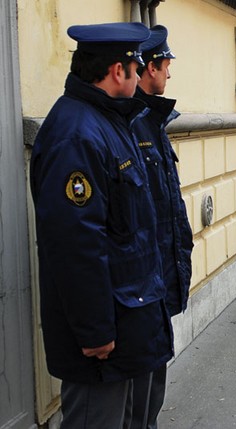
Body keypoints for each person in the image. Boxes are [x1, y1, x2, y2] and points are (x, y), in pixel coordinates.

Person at [29, 22, 174, 428]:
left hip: (132, 319)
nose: (142, 72)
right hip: (105, 343)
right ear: (117, 71)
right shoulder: (77, 134)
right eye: (136, 65)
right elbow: (75, 243)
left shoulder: (110, 120)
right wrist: (95, 331)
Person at [129, 25, 193, 429]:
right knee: (138, 395)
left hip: (158, 276)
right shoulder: (132, 124)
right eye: (166, 64)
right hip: (143, 283)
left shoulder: (151, 120)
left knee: (153, 380)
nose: (169, 73)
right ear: (149, 68)